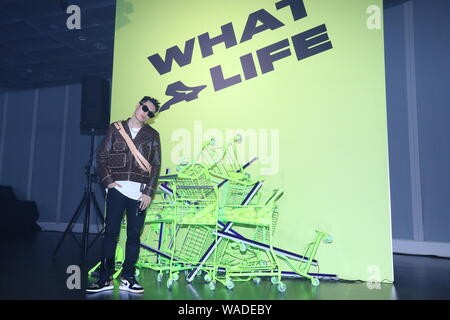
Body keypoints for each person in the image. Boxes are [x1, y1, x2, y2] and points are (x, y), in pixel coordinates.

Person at [86, 96, 161, 294]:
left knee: (134, 236)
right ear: (138, 105)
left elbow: (156, 165)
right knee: (110, 234)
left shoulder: (152, 135)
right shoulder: (116, 128)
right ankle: (105, 278)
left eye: (150, 112)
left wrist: (148, 193)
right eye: (145, 108)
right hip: (117, 190)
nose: (146, 113)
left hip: (139, 194)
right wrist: (107, 181)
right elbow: (101, 157)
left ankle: (128, 277)